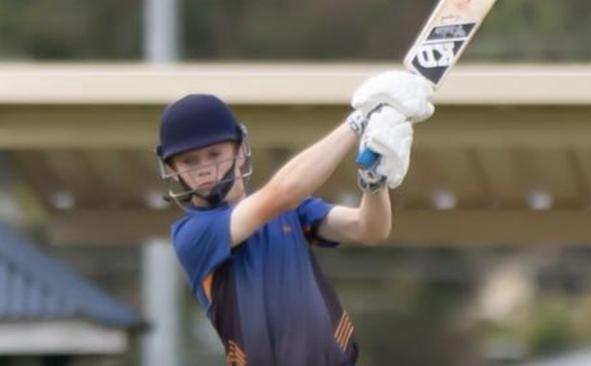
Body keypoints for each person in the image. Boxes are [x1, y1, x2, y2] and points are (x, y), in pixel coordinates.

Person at [155, 71, 434, 366]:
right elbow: (283, 191)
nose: (204, 168)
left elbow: (370, 230)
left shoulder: (291, 212)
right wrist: (359, 120)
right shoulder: (192, 233)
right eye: (189, 160)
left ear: (241, 150)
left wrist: (374, 184)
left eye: (214, 153)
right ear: (172, 169)